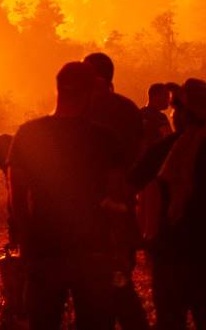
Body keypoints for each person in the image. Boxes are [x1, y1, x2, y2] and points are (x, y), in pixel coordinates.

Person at [129, 79, 206, 330]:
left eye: (175, 109)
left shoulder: (163, 150)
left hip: (169, 255)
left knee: (170, 321)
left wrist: (141, 237)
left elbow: (129, 188)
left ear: (183, 113)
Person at [9, 62, 124, 330]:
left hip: (44, 248)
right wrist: (120, 247)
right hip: (94, 250)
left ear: (58, 89)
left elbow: (17, 195)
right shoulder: (104, 138)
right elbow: (117, 197)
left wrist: (26, 242)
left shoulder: (29, 134)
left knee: (44, 322)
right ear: (89, 94)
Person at [83, 52, 149, 330]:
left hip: (111, 207)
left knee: (114, 278)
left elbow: (136, 156)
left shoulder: (101, 110)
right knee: (107, 278)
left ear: (98, 78)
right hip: (110, 205)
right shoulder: (124, 108)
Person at [141, 83, 173, 149]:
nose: (168, 100)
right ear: (155, 96)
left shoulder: (139, 113)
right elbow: (169, 139)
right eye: (166, 96)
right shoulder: (160, 118)